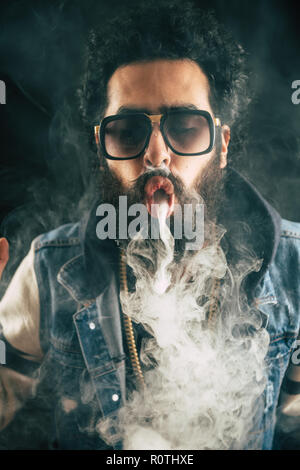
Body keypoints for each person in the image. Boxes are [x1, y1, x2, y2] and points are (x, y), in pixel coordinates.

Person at [0, 0, 300, 450]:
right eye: (128, 130)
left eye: (185, 126)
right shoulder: (47, 272)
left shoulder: (294, 266)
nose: (156, 155)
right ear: (101, 146)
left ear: (221, 146)